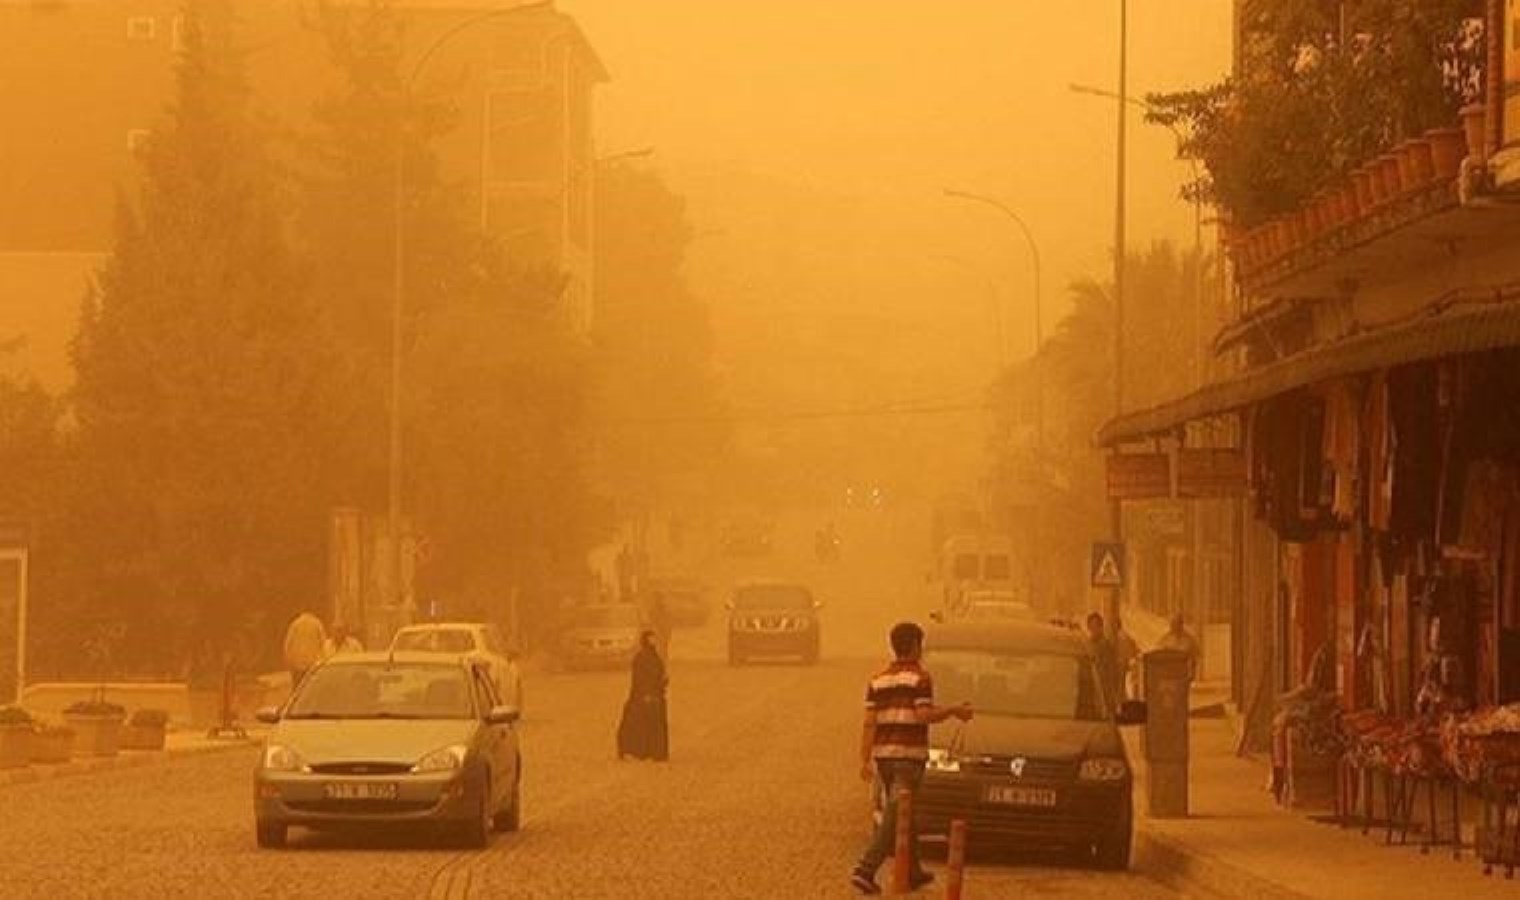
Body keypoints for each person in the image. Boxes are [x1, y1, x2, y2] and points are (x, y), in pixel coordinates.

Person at [850, 622, 973, 896]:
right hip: (908, 757)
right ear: (916, 646)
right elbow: (924, 716)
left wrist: (864, 759)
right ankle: (865, 869)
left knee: (905, 812)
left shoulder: (877, 680)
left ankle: (913, 871)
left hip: (884, 759)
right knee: (896, 814)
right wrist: (954, 711)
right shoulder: (921, 678)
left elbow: (869, 723)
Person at [616, 631, 669, 761]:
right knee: (641, 724)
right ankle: (638, 750)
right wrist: (646, 693)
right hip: (644, 696)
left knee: (654, 725)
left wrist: (663, 682)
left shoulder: (655, 657)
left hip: (656, 695)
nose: (654, 641)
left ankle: (655, 752)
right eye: (651, 639)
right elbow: (639, 679)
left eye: (654, 638)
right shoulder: (641, 658)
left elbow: (658, 674)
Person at [1085, 612, 1121, 710]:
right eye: (1091, 627)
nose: (1094, 630)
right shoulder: (1086, 646)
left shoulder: (1107, 648)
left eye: (1096, 626)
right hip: (1089, 694)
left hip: (1104, 696)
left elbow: (1113, 674)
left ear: (1101, 627)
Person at [283, 611, 326, 692]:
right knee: (311, 688)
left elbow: (288, 643)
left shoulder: (295, 624)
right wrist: (323, 659)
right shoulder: (317, 623)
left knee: (298, 688)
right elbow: (323, 642)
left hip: (297, 662)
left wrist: (288, 660)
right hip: (313, 662)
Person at [1156, 613, 1201, 681]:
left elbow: (1195, 657)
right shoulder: (1166, 639)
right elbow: (1158, 653)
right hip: (1167, 674)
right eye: (1172, 624)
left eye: (1176, 623)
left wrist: (1192, 673)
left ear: (1181, 624)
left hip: (1183, 674)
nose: (1173, 626)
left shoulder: (1189, 639)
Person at [1112, 614, 1141, 700]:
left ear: (1117, 625)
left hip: (1121, 664)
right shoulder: (1122, 635)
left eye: (1113, 624)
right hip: (1121, 664)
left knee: (1120, 687)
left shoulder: (1121, 636)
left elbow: (1132, 649)